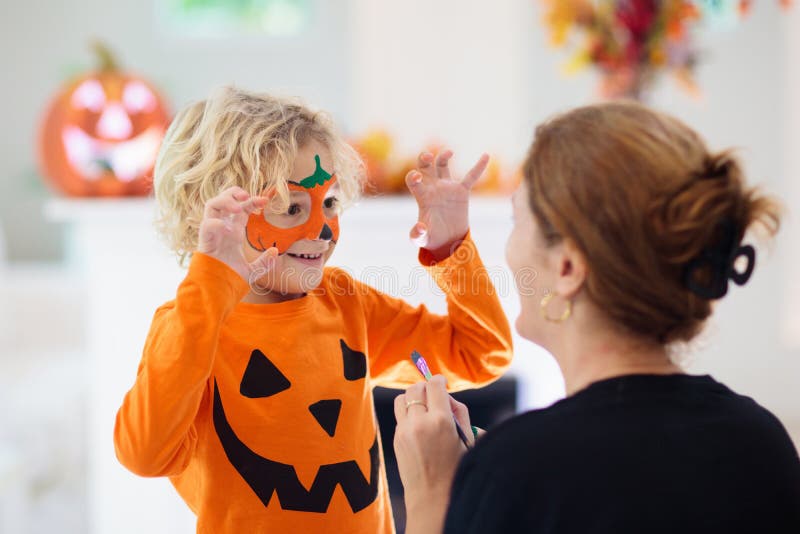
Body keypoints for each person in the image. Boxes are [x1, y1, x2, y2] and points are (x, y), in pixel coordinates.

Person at [113, 86, 512, 533]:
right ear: (207, 212)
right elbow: (144, 454)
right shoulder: (191, 325)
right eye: (289, 208)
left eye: (329, 203)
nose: (320, 229)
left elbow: (479, 354)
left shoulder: (348, 304)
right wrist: (210, 284)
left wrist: (452, 248)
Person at [393, 101, 800, 534]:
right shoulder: (761, 441)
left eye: (516, 219)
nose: (508, 249)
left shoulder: (520, 470)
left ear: (568, 267)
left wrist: (432, 494)